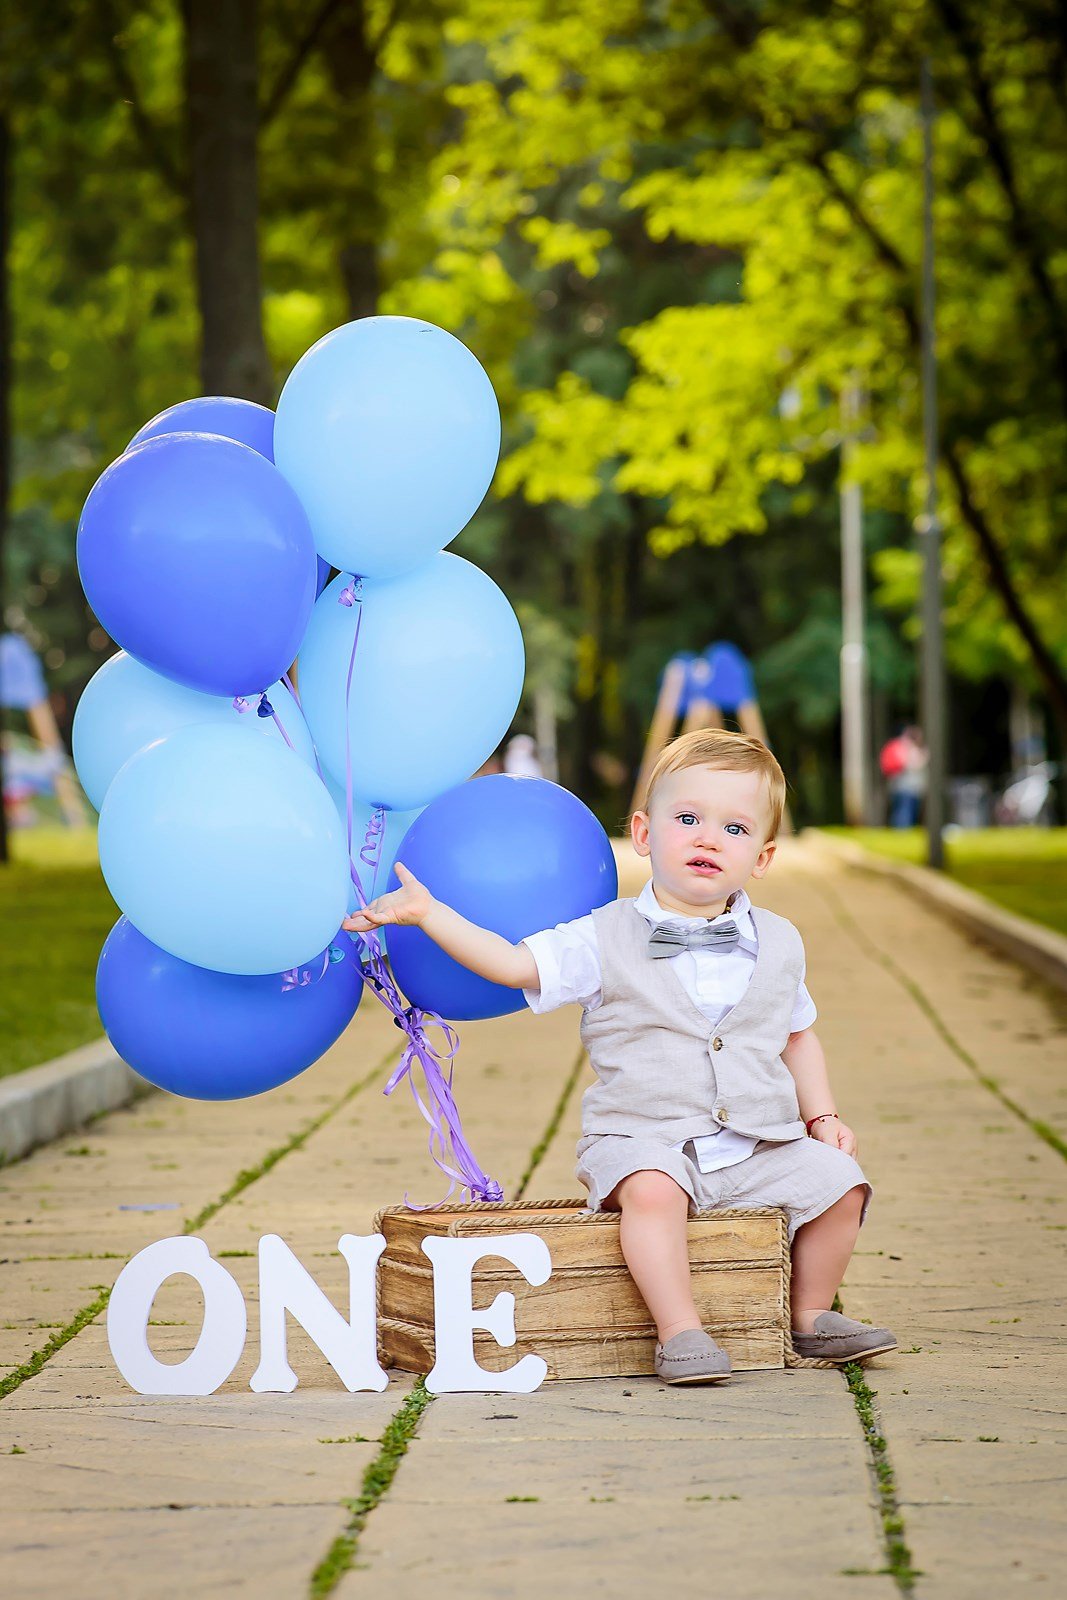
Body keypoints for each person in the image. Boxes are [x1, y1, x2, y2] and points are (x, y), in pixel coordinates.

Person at [343, 729, 896, 1385]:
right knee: (654, 1193)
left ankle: (806, 1313)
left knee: (840, 1182)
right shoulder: (602, 937)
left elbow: (796, 1034)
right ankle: (679, 1331)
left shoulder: (779, 942)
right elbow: (514, 965)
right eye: (686, 819)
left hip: (756, 1142)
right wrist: (429, 914)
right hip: (641, 1138)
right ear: (642, 833)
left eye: (735, 828)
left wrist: (822, 1117)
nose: (708, 838)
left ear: (763, 856)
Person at [881, 725, 928, 828]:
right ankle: (901, 831)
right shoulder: (906, 748)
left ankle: (899, 830)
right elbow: (912, 765)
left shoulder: (897, 746)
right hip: (907, 788)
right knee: (904, 813)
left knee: (900, 811)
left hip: (900, 787)